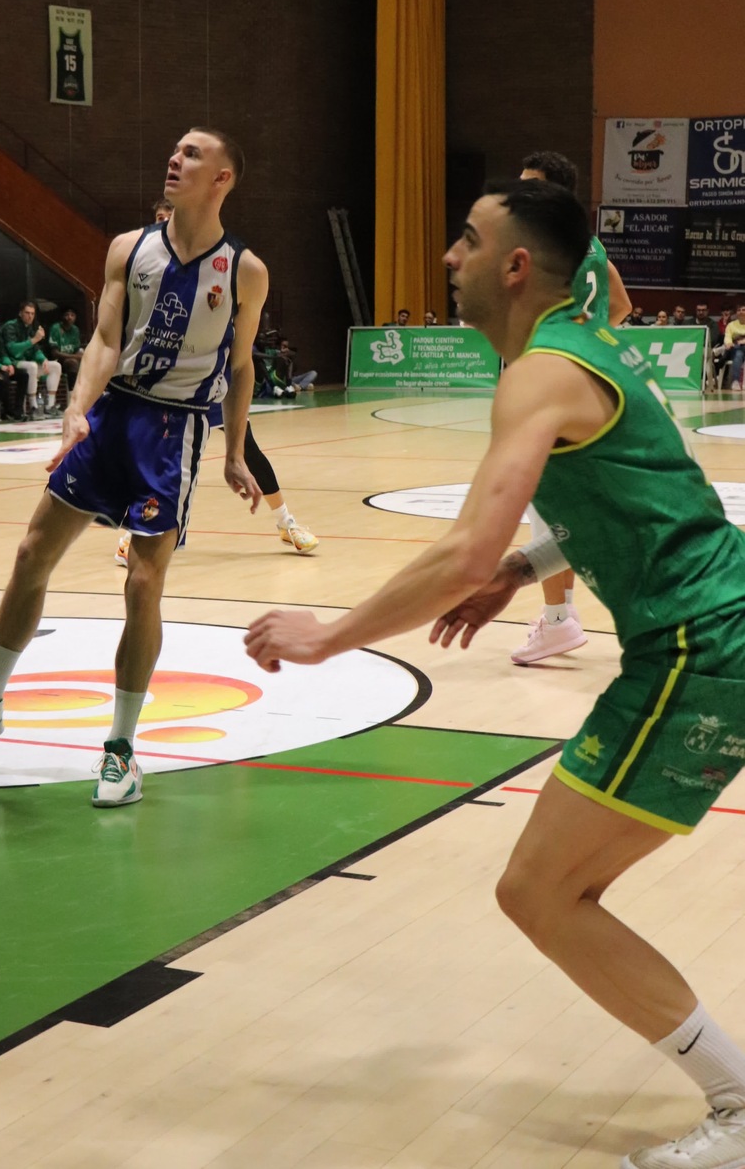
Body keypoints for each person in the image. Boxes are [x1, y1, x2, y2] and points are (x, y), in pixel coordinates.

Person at [246, 178, 745, 1169]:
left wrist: (329, 635)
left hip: (699, 648)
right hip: (701, 637)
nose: (448, 259)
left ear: (513, 266)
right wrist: (528, 568)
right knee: (543, 891)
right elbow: (647, 492)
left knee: (541, 892)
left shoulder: (541, 372)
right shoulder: (582, 349)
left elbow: (462, 549)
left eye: (464, 242)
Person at [0, 128, 269, 809]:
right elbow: (105, 338)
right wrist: (76, 409)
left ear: (223, 178)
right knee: (31, 551)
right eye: (175, 149)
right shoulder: (129, 249)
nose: (175, 158)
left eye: (192, 154)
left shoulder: (244, 269)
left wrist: (233, 451)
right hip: (111, 418)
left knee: (142, 582)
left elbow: (241, 364)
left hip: (174, 429)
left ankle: (122, 749)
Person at [114, 196, 318, 564]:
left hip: (211, 381)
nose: (163, 224)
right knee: (150, 457)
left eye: (168, 216)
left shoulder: (220, 268)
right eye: (158, 219)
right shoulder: (147, 269)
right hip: (166, 385)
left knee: (247, 451)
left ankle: (285, 522)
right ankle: (134, 530)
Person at [512, 151, 631, 668]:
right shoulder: (591, 243)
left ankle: (559, 622)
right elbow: (621, 305)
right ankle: (562, 619)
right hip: (592, 388)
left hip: (554, 390)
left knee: (553, 516)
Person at [0, 301, 62, 418]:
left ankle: (50, 406)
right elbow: (13, 349)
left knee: (55, 366)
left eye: (32, 314)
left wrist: (43, 359)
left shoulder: (31, 327)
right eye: (27, 313)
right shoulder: (10, 326)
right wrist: (34, 340)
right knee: (32, 366)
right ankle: (33, 407)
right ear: (20, 313)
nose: (30, 316)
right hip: (12, 362)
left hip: (26, 362)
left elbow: (35, 350)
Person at [47, 307, 83, 392]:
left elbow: (76, 349)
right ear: (62, 316)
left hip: (72, 359)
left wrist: (81, 355)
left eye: (72, 315)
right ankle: (72, 393)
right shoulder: (56, 328)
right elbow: (54, 353)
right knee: (72, 362)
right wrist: (76, 357)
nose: (69, 317)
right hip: (57, 361)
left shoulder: (75, 330)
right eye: (67, 315)